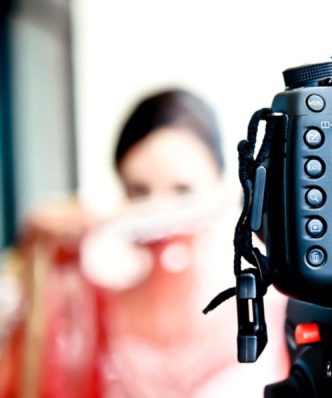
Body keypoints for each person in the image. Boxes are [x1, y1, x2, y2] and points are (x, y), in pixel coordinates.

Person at [0, 89, 288, 397]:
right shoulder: (90, 316)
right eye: (139, 191)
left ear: (218, 184)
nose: (161, 213)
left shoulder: (276, 307)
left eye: (182, 191)